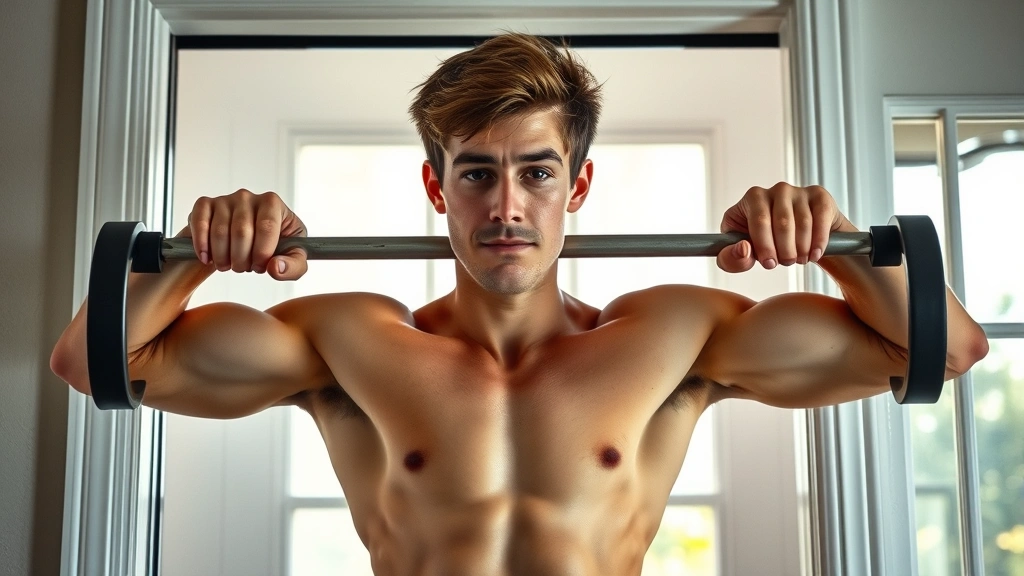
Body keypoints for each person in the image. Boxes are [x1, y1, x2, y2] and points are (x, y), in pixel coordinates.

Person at [51, 33, 989, 575]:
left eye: (537, 173)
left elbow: (944, 351)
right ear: (437, 186)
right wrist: (197, 250)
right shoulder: (349, 340)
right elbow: (95, 361)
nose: (506, 207)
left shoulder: (673, 335)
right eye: (477, 174)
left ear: (575, 189)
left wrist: (836, 240)